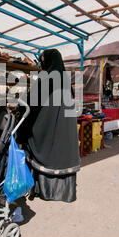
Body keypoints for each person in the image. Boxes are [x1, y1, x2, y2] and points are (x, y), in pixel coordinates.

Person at [19, 48, 80, 202]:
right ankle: (63, 192)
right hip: (64, 129)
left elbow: (29, 101)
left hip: (50, 126)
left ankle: (45, 190)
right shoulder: (65, 79)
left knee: (30, 136)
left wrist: (20, 102)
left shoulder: (47, 78)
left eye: (42, 62)